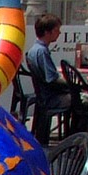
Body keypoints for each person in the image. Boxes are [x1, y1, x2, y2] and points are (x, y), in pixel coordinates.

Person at [26, 13, 73, 144]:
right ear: (48, 32)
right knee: (83, 102)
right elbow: (52, 79)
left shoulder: (34, 50)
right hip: (51, 98)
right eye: (57, 30)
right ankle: (76, 137)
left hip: (44, 96)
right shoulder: (42, 52)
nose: (59, 33)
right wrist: (73, 84)